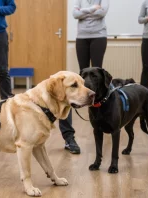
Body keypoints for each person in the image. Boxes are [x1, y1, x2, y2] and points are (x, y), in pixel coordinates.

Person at [59, 0, 109, 154]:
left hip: (98, 36)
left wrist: (84, 11)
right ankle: (83, 97)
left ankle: (97, 100)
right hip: (82, 36)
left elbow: (102, 12)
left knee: (96, 72)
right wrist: (92, 9)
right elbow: (75, 14)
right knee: (83, 72)